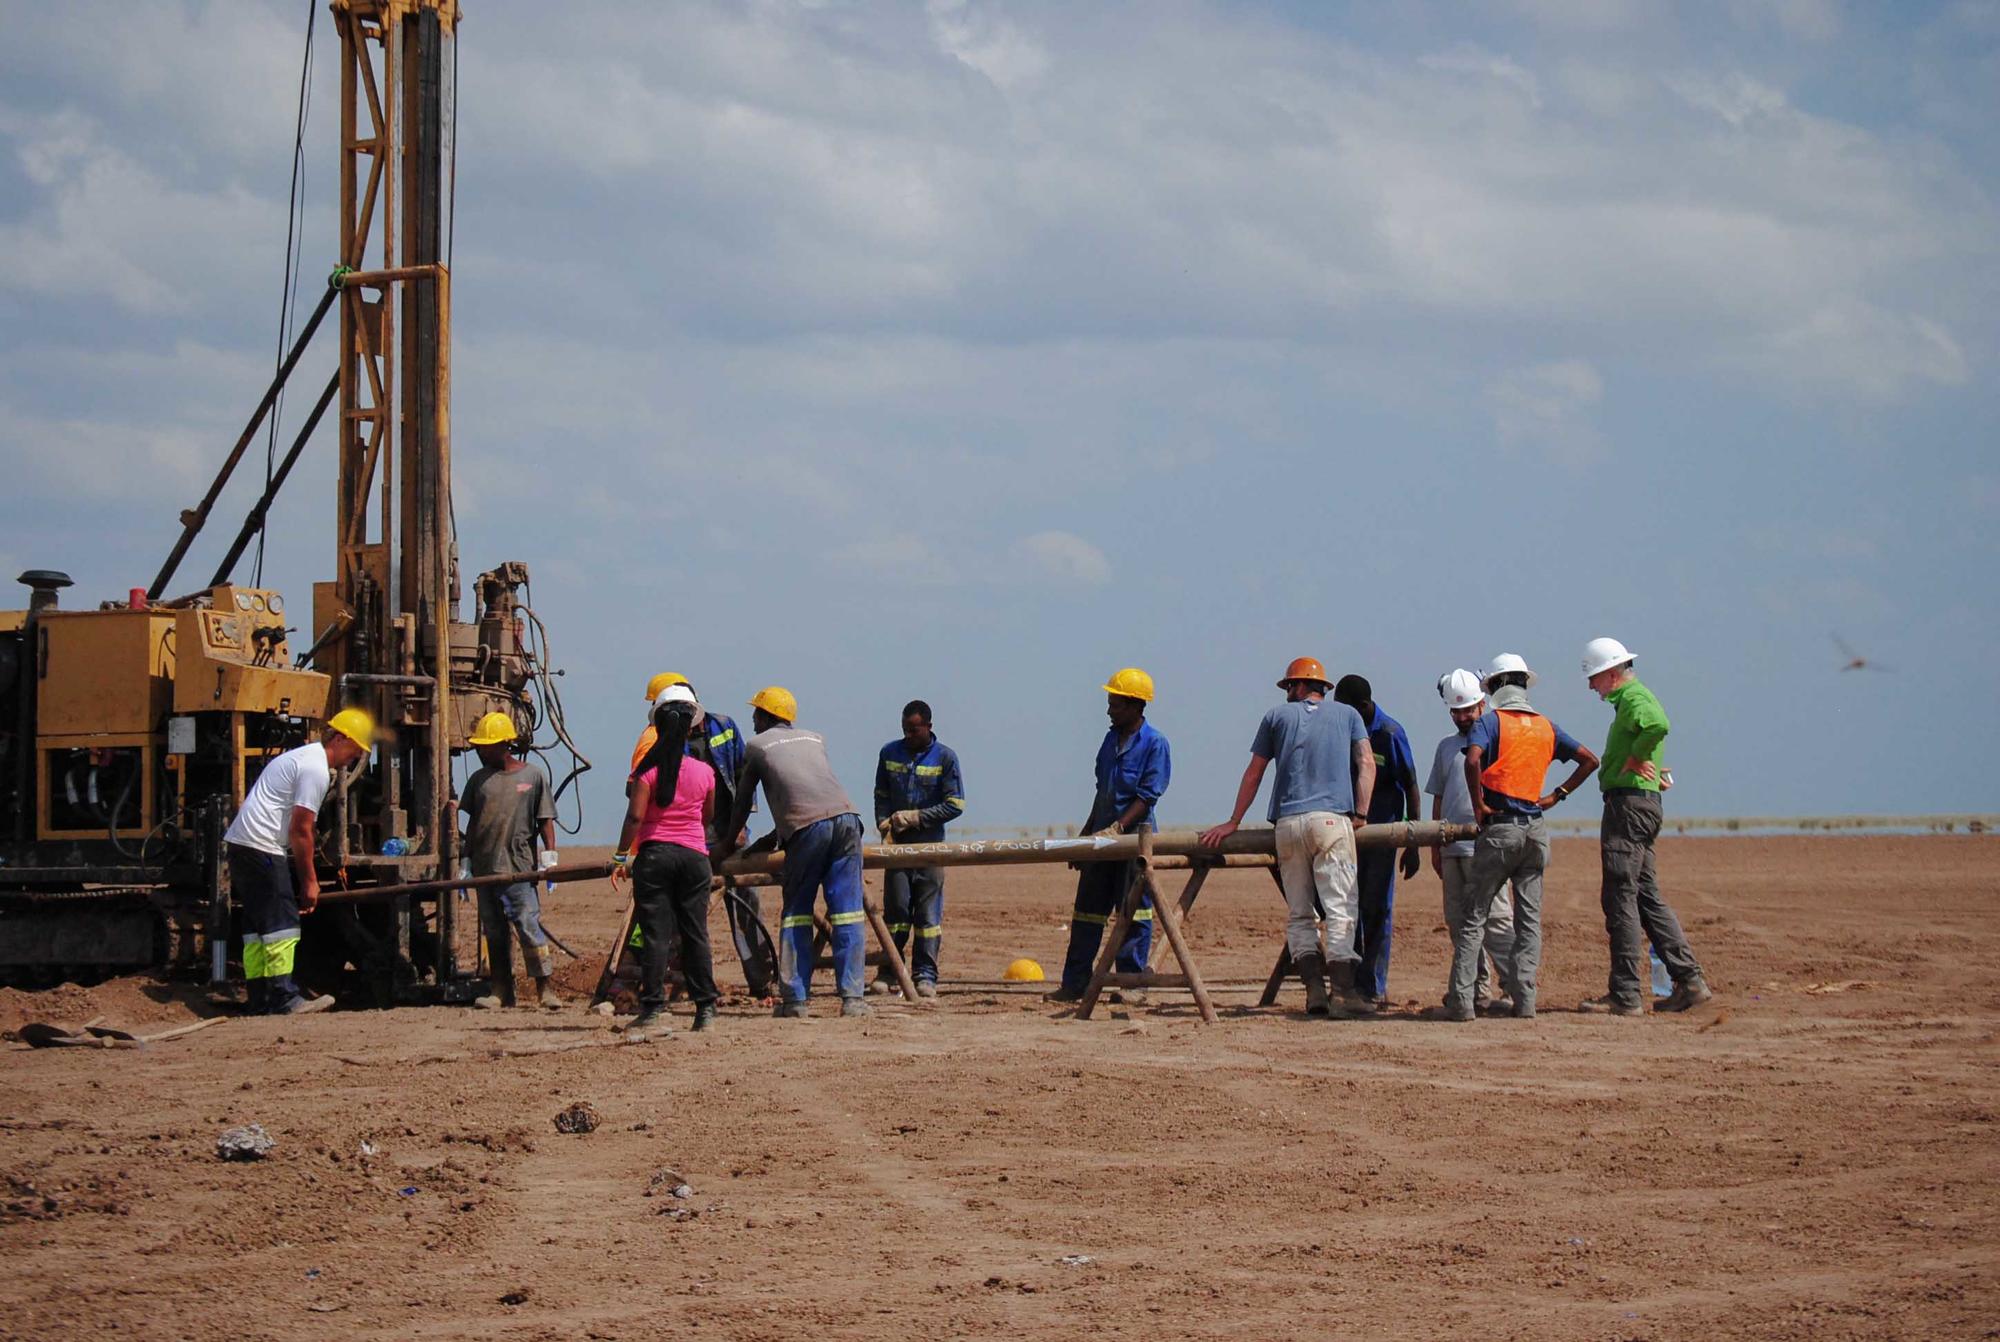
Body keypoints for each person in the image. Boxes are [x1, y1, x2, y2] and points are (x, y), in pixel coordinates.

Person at [1200, 657, 1374, 1018]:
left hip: (1288, 823)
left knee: (1300, 913)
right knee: (1340, 909)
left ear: (1295, 687)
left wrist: (1234, 820)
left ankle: (1314, 992)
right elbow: (1366, 764)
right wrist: (1360, 813)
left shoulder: (1276, 717)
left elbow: (1254, 773)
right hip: (1330, 821)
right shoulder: (1348, 716)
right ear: (1323, 688)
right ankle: (1343, 992)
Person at [1446, 654, 1599, 1021]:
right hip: (1535, 829)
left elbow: (1472, 760)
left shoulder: (1490, 722)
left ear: (1495, 687)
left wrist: (1479, 804)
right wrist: (1555, 796)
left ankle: (1463, 1003)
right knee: (1528, 920)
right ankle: (1525, 1002)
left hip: (1501, 828)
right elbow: (1589, 760)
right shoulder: (1545, 726)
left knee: (1474, 916)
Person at [716, 687, 870, 1019]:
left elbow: (744, 800)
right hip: (847, 820)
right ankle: (854, 999)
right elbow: (812, 794)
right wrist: (777, 836)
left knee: (798, 912)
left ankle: (796, 1000)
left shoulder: (756, 747)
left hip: (808, 830)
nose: (753, 720)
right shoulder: (814, 738)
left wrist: (728, 845)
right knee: (847, 913)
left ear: (768, 716)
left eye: (756, 713)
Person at [1578, 638, 1713, 1016]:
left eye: (1594, 678)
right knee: (1644, 895)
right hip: (1639, 801)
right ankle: (1689, 981)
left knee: (1620, 895)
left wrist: (1638, 759)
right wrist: (1648, 769)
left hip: (1627, 807)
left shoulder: (1636, 699)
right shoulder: (1630, 702)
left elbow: (1657, 725)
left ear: (1611, 673)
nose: (1592, 686)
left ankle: (1625, 994)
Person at [221, 708, 377, 1014]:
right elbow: (301, 829)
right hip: (261, 846)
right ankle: (283, 998)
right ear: (339, 738)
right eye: (354, 750)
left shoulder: (302, 758)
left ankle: (260, 998)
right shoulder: (315, 769)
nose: (353, 758)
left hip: (242, 845)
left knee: (257, 928)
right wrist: (310, 882)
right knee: (282, 923)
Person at [631, 671, 769, 996]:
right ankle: (676, 985)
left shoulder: (724, 727)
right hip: (689, 838)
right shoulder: (657, 741)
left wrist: (738, 830)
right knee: (684, 916)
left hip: (727, 831)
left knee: (746, 903)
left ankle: (762, 983)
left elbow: (743, 777)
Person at [1047, 668, 1171, 1005]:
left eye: (1115, 704)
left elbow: (1147, 797)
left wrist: (1118, 830)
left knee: (1134, 913)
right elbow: (1103, 792)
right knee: (1087, 912)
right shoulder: (1109, 739)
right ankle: (1075, 984)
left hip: (1132, 844)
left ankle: (1131, 984)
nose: (1109, 710)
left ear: (1134, 705)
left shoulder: (1155, 744)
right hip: (1102, 839)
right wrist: (1088, 838)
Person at [611, 686, 720, 1034]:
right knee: (695, 933)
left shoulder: (647, 771)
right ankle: (706, 1011)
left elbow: (635, 818)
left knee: (656, 935)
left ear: (657, 725)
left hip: (655, 858)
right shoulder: (704, 772)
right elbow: (707, 816)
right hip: (694, 857)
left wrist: (620, 856)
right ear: (691, 727)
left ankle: (653, 1007)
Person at [458, 711, 563, 1011]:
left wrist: (549, 856)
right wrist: (466, 860)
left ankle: (545, 988)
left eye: (485, 746)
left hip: (519, 868)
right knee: (494, 931)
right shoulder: (479, 781)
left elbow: (545, 821)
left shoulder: (532, 777)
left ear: (504, 744)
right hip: (485, 868)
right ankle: (501, 991)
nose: (480, 751)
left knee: (529, 927)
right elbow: (474, 824)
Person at [1426, 669, 1516, 1014]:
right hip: (1451, 848)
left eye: (1468, 710)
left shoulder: (1498, 742)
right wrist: (1435, 844)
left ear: (1483, 706)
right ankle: (1474, 991)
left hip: (1487, 847)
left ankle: (1516, 990)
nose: (1463, 717)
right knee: (1459, 923)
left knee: (1495, 922)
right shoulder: (1446, 748)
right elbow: (1438, 796)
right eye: (1456, 712)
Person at [1331, 675, 1421, 1009]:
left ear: (1363, 707)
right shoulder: (1340, 732)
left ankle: (1374, 985)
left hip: (1383, 833)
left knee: (1377, 908)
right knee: (1347, 906)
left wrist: (1412, 841)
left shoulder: (1390, 733)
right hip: (1346, 833)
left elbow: (1410, 784)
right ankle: (1350, 984)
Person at [873, 699, 966, 998]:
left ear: (928, 726)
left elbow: (955, 805)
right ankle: (889, 973)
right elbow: (881, 794)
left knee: (927, 919)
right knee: (896, 914)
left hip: (929, 849)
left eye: (914, 730)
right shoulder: (889, 753)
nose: (909, 735)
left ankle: (925, 976)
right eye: (905, 730)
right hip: (898, 850)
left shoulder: (946, 758)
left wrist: (917, 817)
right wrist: (884, 823)